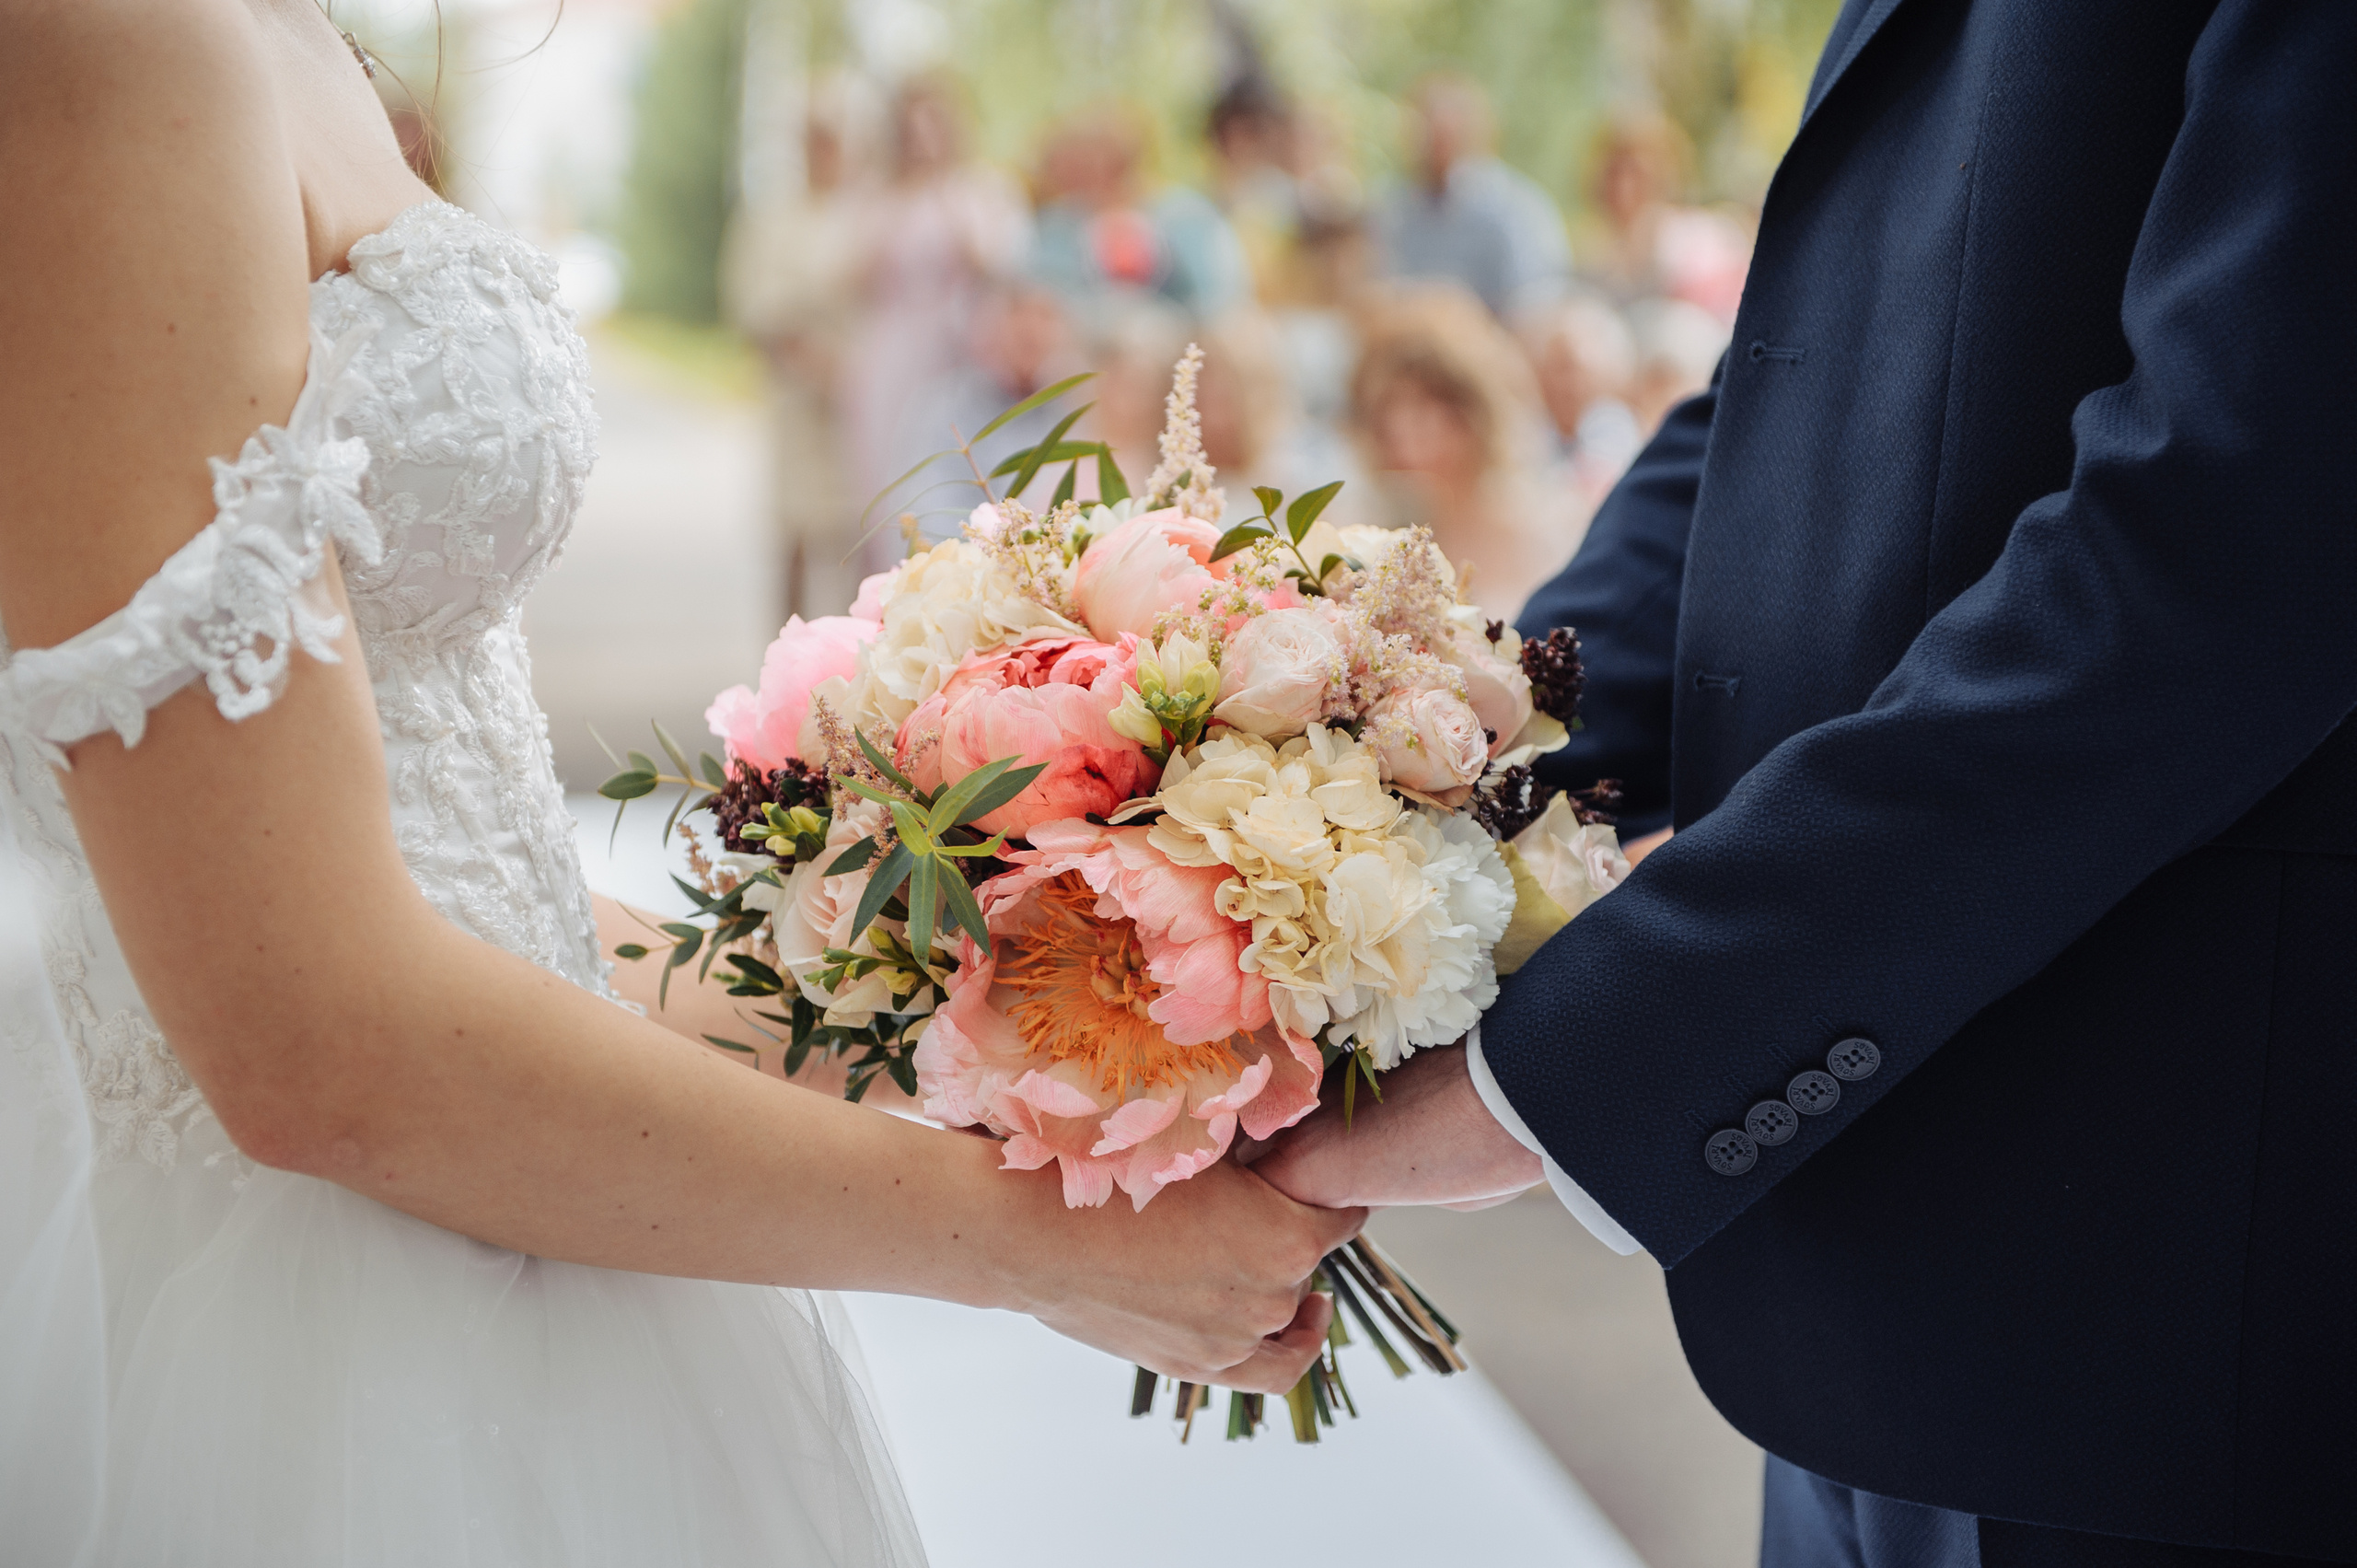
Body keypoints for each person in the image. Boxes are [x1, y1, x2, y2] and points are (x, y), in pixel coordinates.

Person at [0, 5, 1361, 1562]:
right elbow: (314, 1038)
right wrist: (1029, 1247)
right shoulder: (102, 43)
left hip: (532, 1214)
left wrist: (1018, 1057)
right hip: (297, 1336)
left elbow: (472, 889)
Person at [1258, 5, 2357, 1567]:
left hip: (2163, 1300)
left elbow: (2239, 534)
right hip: (1861, 1312)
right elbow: (1792, 392)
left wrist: (1577, 1066)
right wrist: (1383, 791)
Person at [839, 72, 1031, 576]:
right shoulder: (881, 198)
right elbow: (855, 277)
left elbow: (1002, 265)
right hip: (895, 352)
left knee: (960, 468)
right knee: (888, 475)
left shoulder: (979, 189)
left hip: (961, 347)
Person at [1349, 285, 1580, 622]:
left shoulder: (1549, 523)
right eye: (1388, 408)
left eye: (1425, 404)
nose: (1403, 428)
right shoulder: (1378, 536)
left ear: (1471, 407)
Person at [1372, 73, 1571, 322]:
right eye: (1426, 131)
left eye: (1446, 133)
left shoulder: (1518, 212)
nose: (1434, 143)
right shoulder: (1393, 210)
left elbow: (1537, 307)